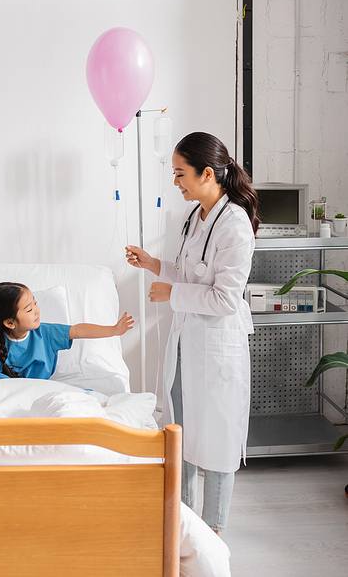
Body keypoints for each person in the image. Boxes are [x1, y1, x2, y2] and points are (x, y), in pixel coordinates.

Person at [126, 132, 258, 534]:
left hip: (217, 347)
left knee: (216, 441)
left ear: (207, 173)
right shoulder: (193, 215)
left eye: (180, 174)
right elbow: (189, 271)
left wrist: (173, 293)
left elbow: (224, 299)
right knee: (179, 432)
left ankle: (212, 531)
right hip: (187, 343)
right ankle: (182, 523)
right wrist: (154, 265)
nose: (175, 182)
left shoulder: (234, 225)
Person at [0, 281, 134, 381]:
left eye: (35, 303)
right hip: (8, 393)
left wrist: (114, 330)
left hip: (39, 391)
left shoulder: (46, 333)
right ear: (10, 322)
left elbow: (78, 330)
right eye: (29, 309)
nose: (37, 310)